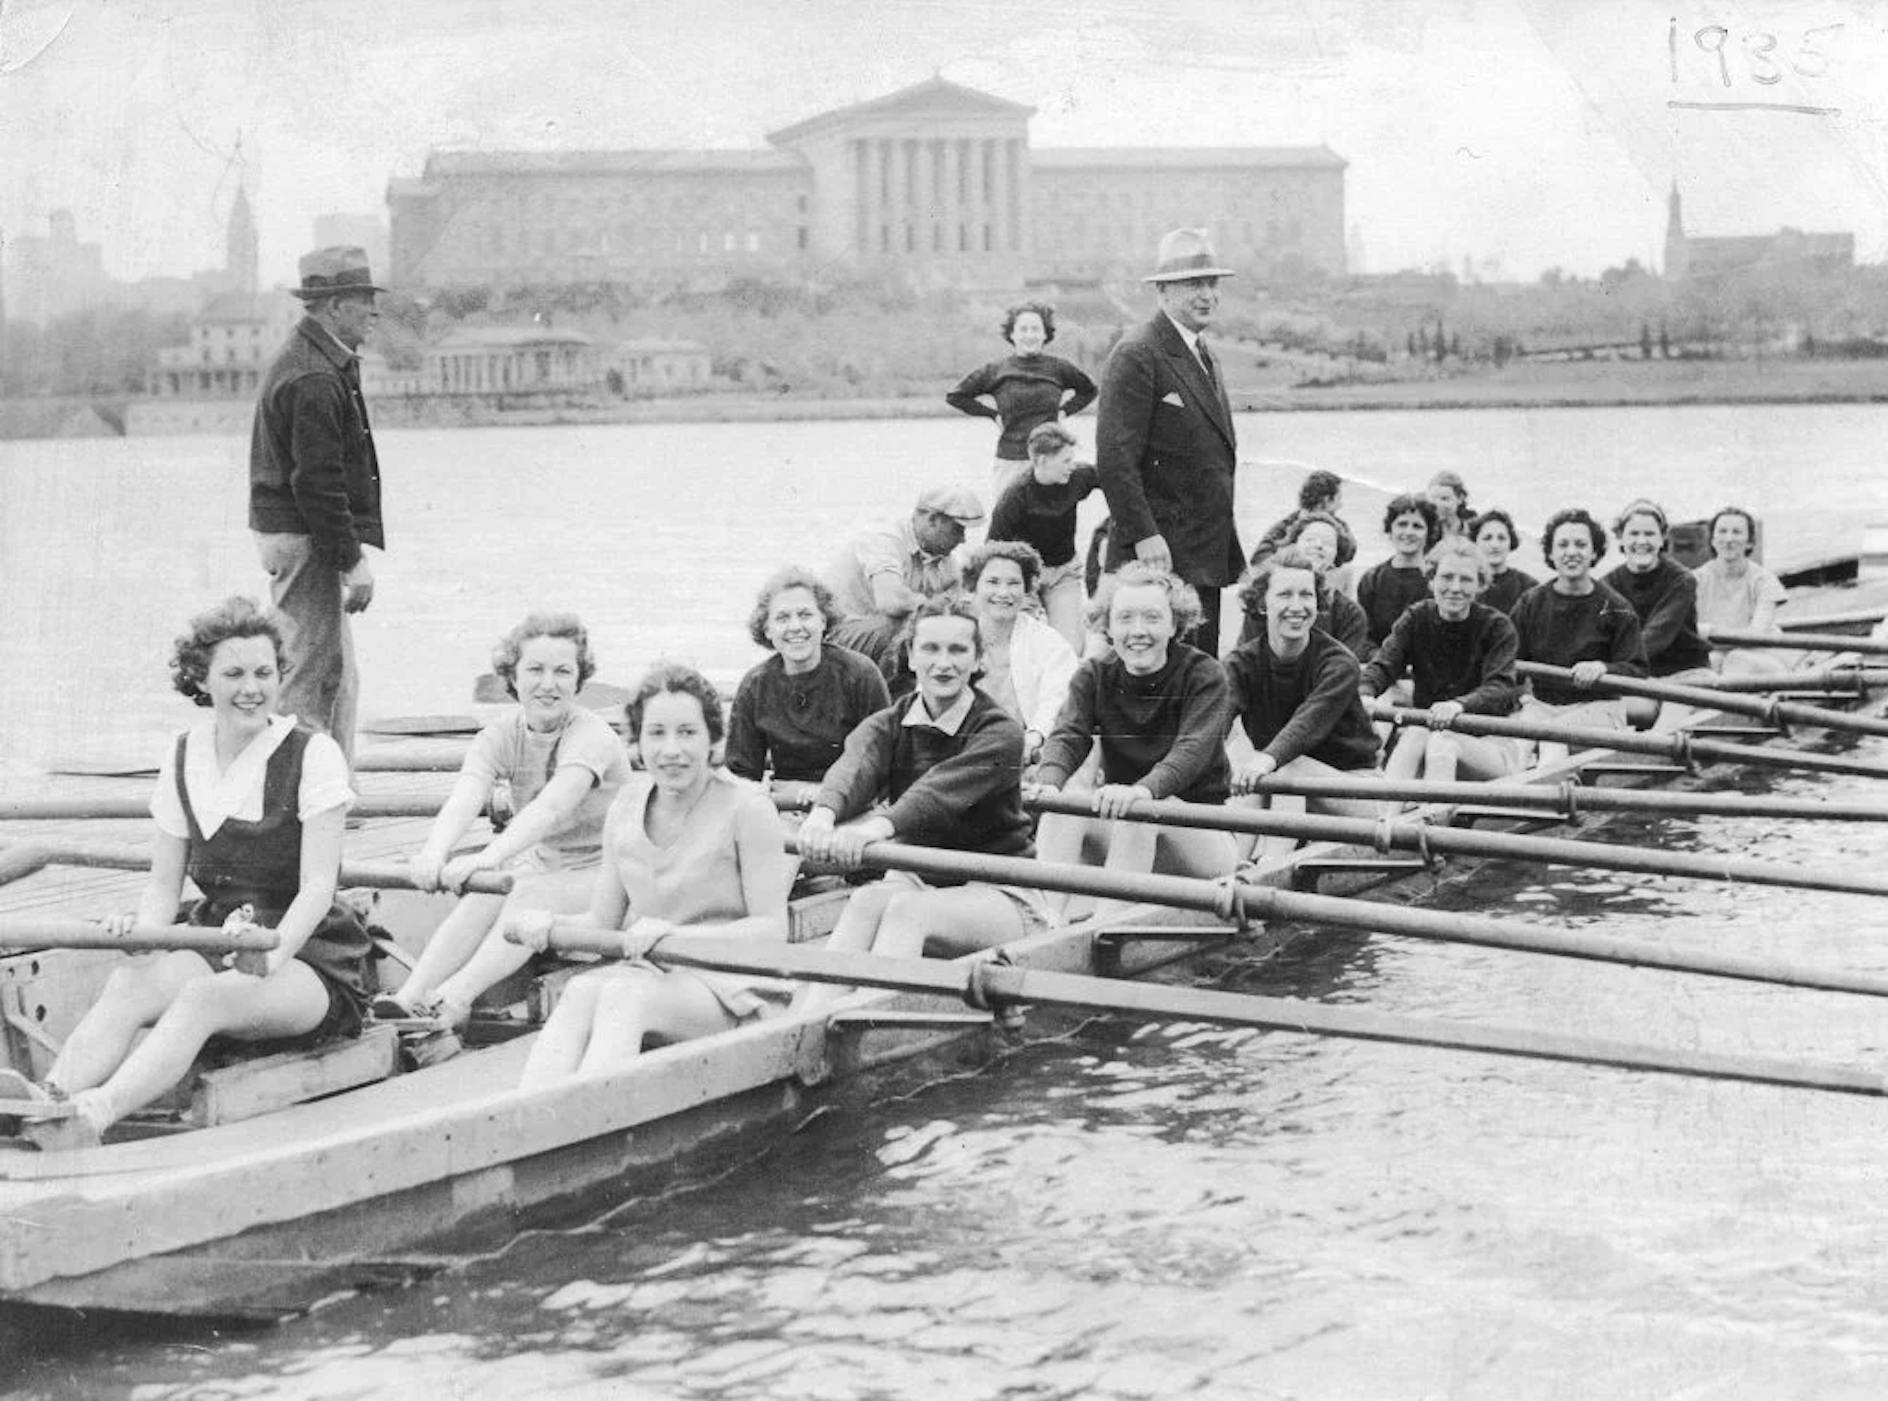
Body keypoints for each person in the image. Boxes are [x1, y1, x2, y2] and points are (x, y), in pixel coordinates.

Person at [0, 598, 370, 1150]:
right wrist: (147, 940)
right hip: (215, 934)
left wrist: (270, 954)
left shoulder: (313, 755)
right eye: (234, 673)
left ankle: (91, 1116)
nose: (252, 688)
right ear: (201, 679)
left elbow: (318, 886)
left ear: (280, 677)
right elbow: (161, 883)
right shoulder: (183, 755)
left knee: (203, 997)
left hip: (308, 955)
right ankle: (48, 1098)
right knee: (131, 983)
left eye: (264, 673)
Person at [508, 665, 795, 1088]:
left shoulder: (748, 809)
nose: (671, 750)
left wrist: (675, 937)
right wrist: (549, 925)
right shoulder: (625, 805)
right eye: (656, 734)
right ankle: (528, 1123)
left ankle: (588, 1127)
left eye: (687, 733)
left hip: (736, 986)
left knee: (625, 995)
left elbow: (772, 931)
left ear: (713, 740)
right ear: (637, 744)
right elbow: (601, 923)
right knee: (582, 991)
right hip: (659, 974)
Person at [374, 614, 631, 1045]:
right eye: (535, 670)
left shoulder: (594, 736)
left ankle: (454, 999)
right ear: (512, 675)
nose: (548, 684)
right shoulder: (500, 734)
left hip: (611, 873)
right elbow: (467, 795)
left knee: (523, 890)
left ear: (579, 679)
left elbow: (550, 809)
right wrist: (435, 853)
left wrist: (489, 856)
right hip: (551, 864)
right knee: (484, 892)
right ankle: (410, 995)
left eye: (563, 672)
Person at [794, 597, 1044, 1011]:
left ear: (978, 659)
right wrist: (821, 817)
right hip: (921, 879)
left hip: (1000, 889)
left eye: (957, 650)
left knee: (908, 911)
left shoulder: (1000, 732)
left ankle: (869, 1028)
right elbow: (856, 765)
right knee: (866, 900)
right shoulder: (891, 722)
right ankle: (808, 1022)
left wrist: (874, 829)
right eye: (930, 649)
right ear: (910, 656)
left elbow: (935, 794)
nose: (943, 663)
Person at [1029, 563, 1237, 916]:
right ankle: (1045, 920)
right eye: (1125, 618)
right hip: (1128, 821)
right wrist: (1049, 781)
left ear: (1174, 625)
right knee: (1066, 802)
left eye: (1152, 618)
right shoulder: (1094, 674)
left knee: (1139, 814)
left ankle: (1102, 929)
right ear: (1107, 626)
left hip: (1203, 838)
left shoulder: (1205, 675)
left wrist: (1143, 791)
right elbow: (1068, 735)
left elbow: (1193, 750)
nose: (1138, 631)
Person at [249, 246, 387, 764]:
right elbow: (317, 485)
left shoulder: (314, 361)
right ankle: (298, 811)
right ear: (332, 307)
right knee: (310, 675)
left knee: (338, 673)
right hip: (307, 535)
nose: (373, 311)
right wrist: (352, 561)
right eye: (363, 300)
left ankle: (333, 794)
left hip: (299, 532)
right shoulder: (314, 376)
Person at [1096, 228, 1244, 654]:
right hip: (1157, 558)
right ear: (1162, 291)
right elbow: (1115, 459)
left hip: (1205, 555)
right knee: (1151, 677)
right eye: (1195, 284)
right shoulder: (1138, 352)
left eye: (1213, 284)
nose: (1208, 295)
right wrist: (1144, 535)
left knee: (1200, 676)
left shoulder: (1204, 355)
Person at [1223, 546, 1382, 847]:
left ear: (1318, 601)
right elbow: (1214, 723)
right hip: (1275, 776)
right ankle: (1235, 868)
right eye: (1284, 595)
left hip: (1358, 789)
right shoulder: (1239, 663)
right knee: (1253, 771)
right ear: (1261, 603)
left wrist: (1265, 761)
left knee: (1283, 766)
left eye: (1306, 595)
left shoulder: (1339, 663)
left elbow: (1306, 725)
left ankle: (1268, 867)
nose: (1297, 606)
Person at [1360, 537, 1523, 783]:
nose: (1455, 588)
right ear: (1432, 579)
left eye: (1466, 579)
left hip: (1490, 743)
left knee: (1441, 742)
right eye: (1447, 577)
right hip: (1431, 730)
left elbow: (1500, 688)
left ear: (1480, 585)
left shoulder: (1498, 626)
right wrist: (1365, 692)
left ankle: (1432, 818)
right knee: (1417, 734)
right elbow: (1384, 665)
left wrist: (1458, 705)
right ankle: (1386, 816)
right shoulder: (1416, 618)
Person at [726, 567, 891, 808]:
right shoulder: (755, 685)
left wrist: (824, 795)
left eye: (805, 615)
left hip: (852, 802)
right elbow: (741, 776)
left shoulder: (860, 674)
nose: (795, 627)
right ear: (767, 629)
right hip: (784, 804)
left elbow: (881, 763)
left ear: (823, 620)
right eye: (782, 618)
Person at [1509, 508, 1649, 764]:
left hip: (1599, 708)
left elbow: (1637, 670)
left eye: (1581, 544)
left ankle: (1545, 800)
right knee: (1513, 748)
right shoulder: (1530, 603)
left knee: (1553, 737)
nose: (1571, 552)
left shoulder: (1617, 606)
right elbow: (1510, 665)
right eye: (1562, 545)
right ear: (1550, 553)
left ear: (1594, 552)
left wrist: (1602, 668)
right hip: (1542, 707)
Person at [823, 484, 983, 687]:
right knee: (910, 627)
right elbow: (891, 601)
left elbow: (959, 597)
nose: (962, 539)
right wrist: (935, 607)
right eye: (957, 529)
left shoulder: (944, 558)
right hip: (836, 638)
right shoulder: (884, 537)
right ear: (932, 520)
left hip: (874, 637)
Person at [946, 301, 1098, 496]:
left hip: (1051, 461)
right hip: (1011, 461)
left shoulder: (1059, 368)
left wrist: (1064, 411)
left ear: (1045, 334)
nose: (1029, 335)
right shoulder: (996, 370)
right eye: (1023, 329)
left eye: (1035, 329)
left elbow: (1089, 390)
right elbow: (956, 396)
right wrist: (992, 415)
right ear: (1012, 334)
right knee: (1009, 520)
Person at [986, 422, 1104, 649]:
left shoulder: (1080, 477)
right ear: (1041, 461)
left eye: (1072, 459)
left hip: (1063, 574)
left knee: (1070, 647)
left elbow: (1119, 482)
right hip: (1026, 577)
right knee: (1021, 645)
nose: (1071, 466)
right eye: (1065, 461)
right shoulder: (1015, 497)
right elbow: (991, 549)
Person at [961, 540, 1078, 765]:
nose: (1003, 593)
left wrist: (1035, 736)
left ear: (1026, 589)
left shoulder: (1050, 643)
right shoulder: (956, 634)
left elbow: (1056, 699)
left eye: (1013, 583)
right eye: (993, 582)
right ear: (975, 585)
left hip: (1027, 754)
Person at [1603, 500, 1713, 694]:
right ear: (1620, 538)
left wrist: (1608, 666)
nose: (1642, 541)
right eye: (1634, 534)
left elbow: (1657, 635)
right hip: (1638, 675)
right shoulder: (1607, 583)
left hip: (1686, 674)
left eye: (1649, 534)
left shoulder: (1682, 580)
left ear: (1662, 538)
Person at [1235, 511, 1369, 657]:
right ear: (1293, 544)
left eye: (1328, 543)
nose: (1318, 545)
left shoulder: (1350, 614)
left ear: (1337, 555)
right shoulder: (1264, 601)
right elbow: (1244, 658)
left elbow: (1346, 668)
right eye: (1310, 539)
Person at [1692, 506, 1790, 676]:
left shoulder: (1764, 580)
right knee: (1710, 663)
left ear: (1750, 542)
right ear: (1712, 540)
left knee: (1737, 660)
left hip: (1761, 656)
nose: (1728, 539)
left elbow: (1755, 636)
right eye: (1722, 532)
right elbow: (1690, 633)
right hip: (1716, 656)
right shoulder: (1694, 580)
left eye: (1737, 532)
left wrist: (1710, 632)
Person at [1356, 494, 1443, 661]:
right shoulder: (1372, 579)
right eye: (1402, 524)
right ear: (1390, 529)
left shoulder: (1438, 580)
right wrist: (1382, 660)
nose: (1408, 532)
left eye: (1417, 526)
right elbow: (1363, 636)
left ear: (1429, 533)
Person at [1246, 469, 1359, 573]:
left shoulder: (1339, 526)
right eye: (1338, 498)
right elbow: (1259, 559)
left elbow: (1350, 553)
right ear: (1326, 499)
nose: (1340, 505)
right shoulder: (1285, 526)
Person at [1470, 509, 1539, 615]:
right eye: (1487, 538)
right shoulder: (1465, 581)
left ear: (1510, 542)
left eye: (1501, 538)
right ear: (1475, 542)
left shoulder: (1527, 585)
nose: (1495, 545)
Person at [1426, 471, 1471, 537]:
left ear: (1460, 498)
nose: (1438, 505)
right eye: (1433, 500)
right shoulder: (1426, 535)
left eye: (1444, 499)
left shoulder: (1473, 532)